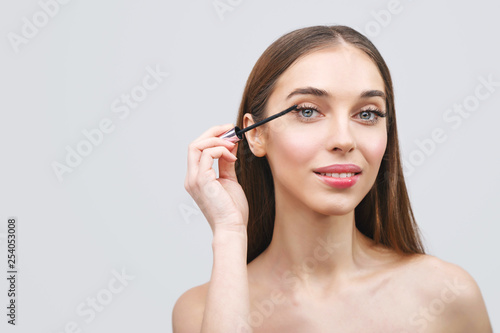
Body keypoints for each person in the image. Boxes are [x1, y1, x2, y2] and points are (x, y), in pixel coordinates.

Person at [173, 25, 492, 332]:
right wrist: (229, 234)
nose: (344, 139)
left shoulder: (447, 296)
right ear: (255, 134)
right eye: (308, 111)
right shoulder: (200, 312)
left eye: (367, 114)